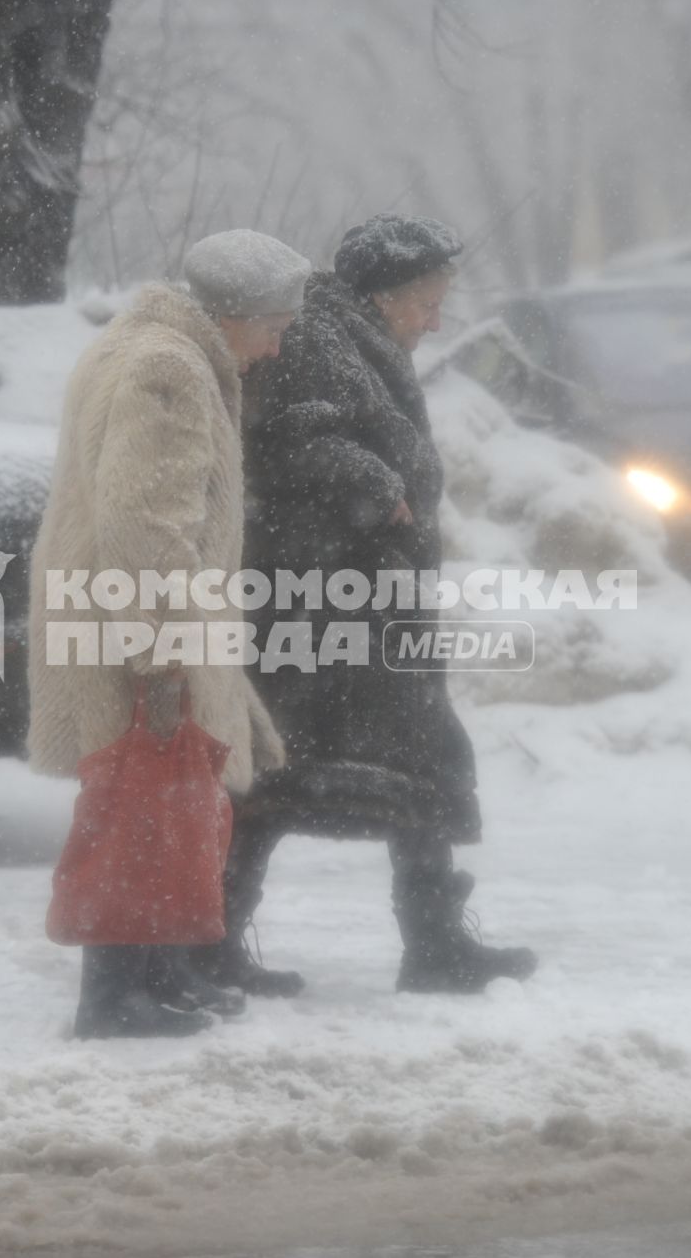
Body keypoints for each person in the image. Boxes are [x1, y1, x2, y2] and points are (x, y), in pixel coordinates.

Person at [193, 213, 538, 997]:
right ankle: (219, 934)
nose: (436, 318)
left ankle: (431, 939)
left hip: (364, 606)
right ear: (384, 296)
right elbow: (291, 443)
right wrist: (376, 489)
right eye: (426, 301)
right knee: (288, 773)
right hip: (325, 611)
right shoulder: (319, 340)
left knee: (390, 768)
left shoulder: (351, 339)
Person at [27, 229, 306, 1039]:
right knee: (140, 810)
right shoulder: (170, 369)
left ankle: (157, 978)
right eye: (274, 326)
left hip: (118, 615)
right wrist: (161, 655)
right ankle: (114, 998)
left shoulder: (138, 347)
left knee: (158, 805)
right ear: (233, 315)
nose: (278, 346)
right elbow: (145, 526)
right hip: (135, 630)